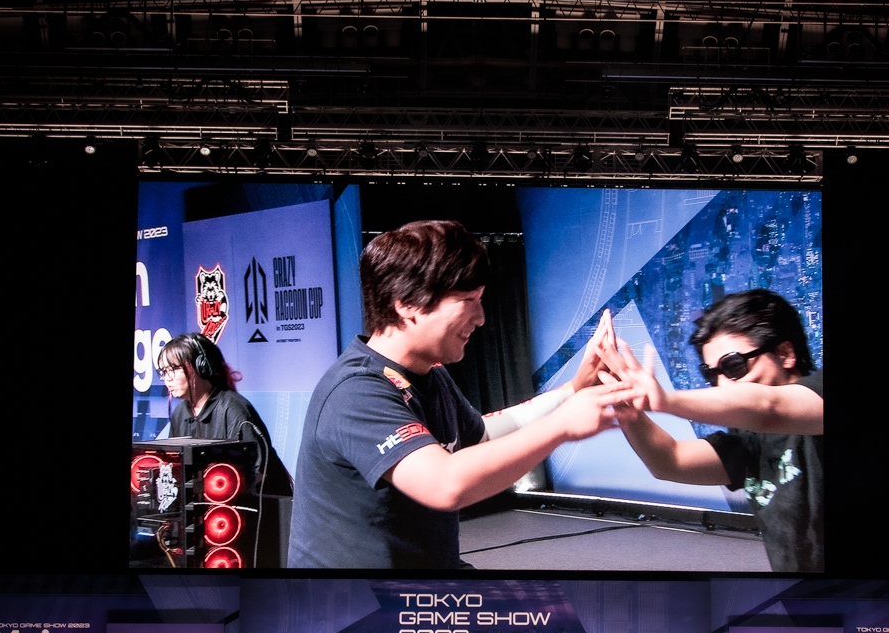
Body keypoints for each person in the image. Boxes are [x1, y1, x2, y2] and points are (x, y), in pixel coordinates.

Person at [288, 220, 632, 569]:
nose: (480, 318)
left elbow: (483, 437)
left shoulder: (430, 373)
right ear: (407, 304)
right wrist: (561, 426)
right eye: (468, 301)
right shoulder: (356, 389)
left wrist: (573, 390)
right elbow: (444, 484)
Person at [598, 289, 823, 572]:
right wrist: (624, 405)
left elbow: (769, 407)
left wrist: (666, 400)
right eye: (711, 374)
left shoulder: (819, 394)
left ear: (784, 353)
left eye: (734, 366)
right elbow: (670, 461)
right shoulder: (749, 438)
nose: (723, 384)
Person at [158, 332, 293, 496]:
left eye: (174, 368)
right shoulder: (180, 413)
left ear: (202, 367)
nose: (167, 378)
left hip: (255, 505)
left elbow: (257, 473)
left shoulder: (234, 410)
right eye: (164, 371)